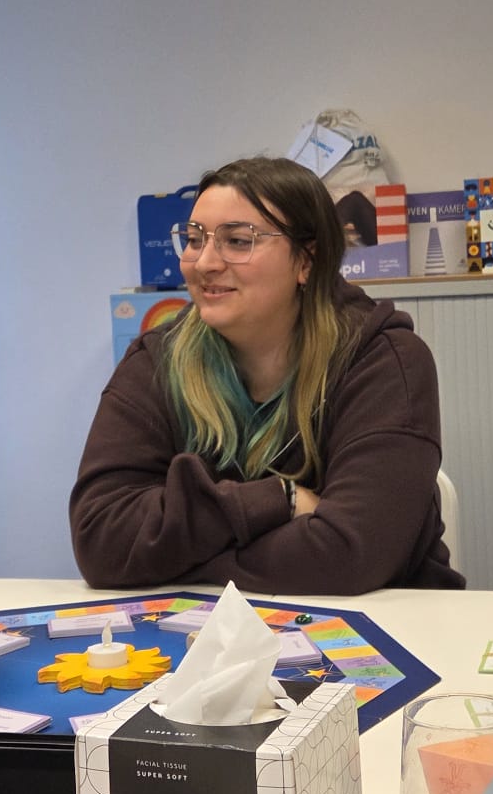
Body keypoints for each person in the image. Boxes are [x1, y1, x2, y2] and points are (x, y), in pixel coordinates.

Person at [71, 156, 461, 594]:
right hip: (205, 626)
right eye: (194, 239)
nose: (204, 263)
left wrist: (174, 559)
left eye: (238, 241)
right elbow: (101, 541)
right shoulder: (156, 361)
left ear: (307, 260)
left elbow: (350, 557)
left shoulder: (384, 360)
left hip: (387, 623)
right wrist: (280, 500)